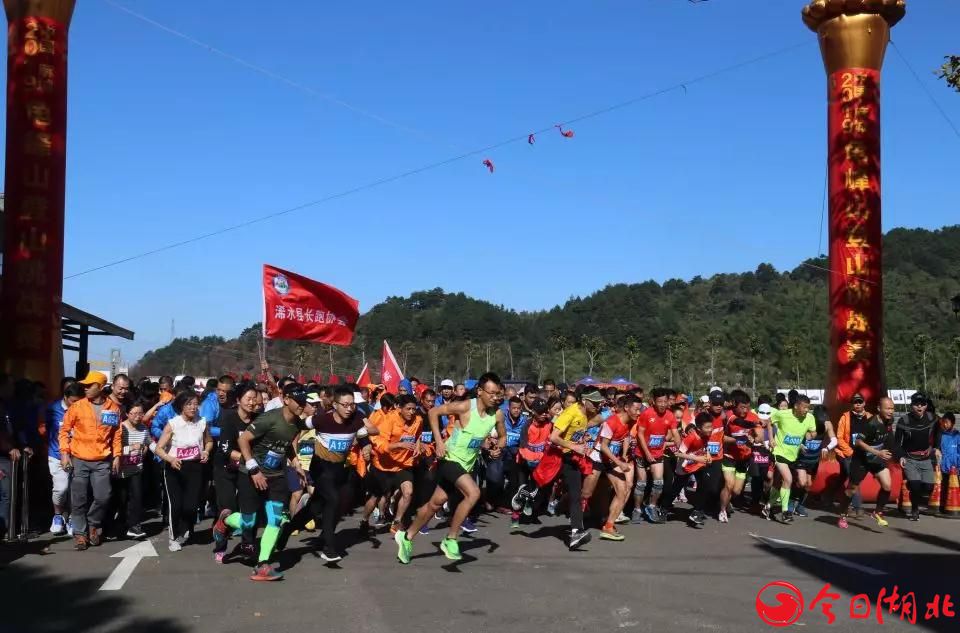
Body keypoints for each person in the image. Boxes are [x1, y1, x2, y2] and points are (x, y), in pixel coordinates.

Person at [396, 372, 505, 564]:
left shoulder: (496, 414)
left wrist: (497, 448)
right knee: (473, 493)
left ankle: (407, 537)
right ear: (480, 392)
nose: (495, 397)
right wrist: (438, 442)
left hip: (467, 464)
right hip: (449, 459)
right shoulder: (464, 407)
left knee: (435, 504)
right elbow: (432, 412)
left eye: (497, 394)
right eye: (491, 393)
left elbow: (502, 437)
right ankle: (451, 538)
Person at [214, 383, 308, 580]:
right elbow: (243, 440)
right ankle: (224, 521)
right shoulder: (269, 418)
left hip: (277, 477)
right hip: (251, 474)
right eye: (298, 401)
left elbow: (286, 445)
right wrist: (253, 468)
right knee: (249, 522)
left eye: (304, 401)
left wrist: (296, 464)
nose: (302, 405)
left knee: (275, 519)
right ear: (286, 399)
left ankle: (262, 564)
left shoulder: (297, 423)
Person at [278, 386, 379, 564]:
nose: (350, 408)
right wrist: (290, 451)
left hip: (339, 468)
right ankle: (329, 548)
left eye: (352, 405)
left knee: (314, 508)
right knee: (333, 500)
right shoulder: (321, 420)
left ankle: (287, 529)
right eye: (345, 405)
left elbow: (363, 436)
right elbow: (297, 426)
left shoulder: (356, 419)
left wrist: (366, 447)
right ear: (335, 405)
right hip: (321, 467)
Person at [511, 388, 605, 550]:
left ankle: (576, 532)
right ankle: (523, 493)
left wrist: (582, 438)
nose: (597, 406)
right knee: (539, 490)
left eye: (599, 403)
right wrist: (574, 446)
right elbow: (553, 437)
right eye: (594, 402)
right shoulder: (570, 413)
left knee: (576, 495)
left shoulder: (587, 414)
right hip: (555, 457)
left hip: (571, 460)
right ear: (584, 400)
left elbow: (596, 421)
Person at [58, 371, 123, 550]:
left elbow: (116, 434)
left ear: (101, 387)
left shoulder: (113, 408)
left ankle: (93, 524)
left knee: (103, 496)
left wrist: (117, 455)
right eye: (84, 385)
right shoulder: (77, 406)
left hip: (102, 460)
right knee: (78, 498)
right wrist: (65, 454)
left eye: (89, 385)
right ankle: (80, 534)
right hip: (79, 459)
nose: (85, 388)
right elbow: (64, 431)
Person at [153, 390, 213, 551]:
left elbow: (209, 441)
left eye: (195, 404)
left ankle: (186, 527)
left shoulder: (202, 422)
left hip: (195, 467)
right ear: (181, 407)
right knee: (176, 504)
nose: (193, 407)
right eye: (189, 404)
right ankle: (173, 538)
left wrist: (206, 451)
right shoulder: (173, 423)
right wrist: (170, 459)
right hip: (174, 467)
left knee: (191, 505)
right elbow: (158, 448)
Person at [211, 382, 260, 562]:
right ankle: (221, 543)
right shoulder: (229, 418)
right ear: (238, 400)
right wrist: (247, 458)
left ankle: (248, 543)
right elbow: (225, 449)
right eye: (248, 398)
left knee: (249, 507)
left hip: (246, 469)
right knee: (228, 509)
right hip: (225, 468)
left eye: (255, 398)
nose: (252, 402)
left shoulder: (258, 419)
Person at [360, 394, 421, 535]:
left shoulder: (418, 420)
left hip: (403, 464)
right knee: (375, 497)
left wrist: (417, 446)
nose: (412, 412)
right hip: (383, 465)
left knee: (408, 492)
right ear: (399, 408)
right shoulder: (389, 420)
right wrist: (399, 444)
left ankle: (396, 522)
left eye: (414, 409)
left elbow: (417, 435)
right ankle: (364, 520)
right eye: (408, 409)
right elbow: (381, 445)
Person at [587, 394, 638, 541]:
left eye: (639, 409)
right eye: (636, 409)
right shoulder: (611, 422)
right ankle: (566, 505)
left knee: (623, 489)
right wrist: (620, 462)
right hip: (597, 458)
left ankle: (608, 526)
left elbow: (626, 436)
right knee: (587, 493)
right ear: (627, 408)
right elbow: (603, 447)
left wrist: (624, 454)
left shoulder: (629, 422)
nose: (638, 412)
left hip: (610, 461)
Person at [837, 397, 895, 529]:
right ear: (879, 409)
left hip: (876, 459)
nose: (891, 411)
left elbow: (889, 437)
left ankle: (877, 512)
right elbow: (858, 442)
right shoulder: (871, 424)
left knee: (887, 485)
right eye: (888, 408)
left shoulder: (889, 421)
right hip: (861, 459)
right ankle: (842, 514)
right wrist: (877, 452)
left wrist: (892, 453)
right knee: (852, 489)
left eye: (892, 408)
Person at [631, 388, 682, 524]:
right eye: (659, 401)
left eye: (665, 401)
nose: (662, 404)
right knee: (641, 483)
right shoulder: (646, 414)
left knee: (658, 482)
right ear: (653, 401)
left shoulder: (670, 415)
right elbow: (640, 435)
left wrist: (681, 447)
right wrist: (646, 453)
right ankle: (636, 509)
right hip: (642, 453)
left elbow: (675, 433)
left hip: (658, 453)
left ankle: (651, 506)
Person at [763, 394, 816, 524]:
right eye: (804, 407)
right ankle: (785, 512)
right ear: (796, 406)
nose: (806, 410)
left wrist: (809, 436)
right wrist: (770, 439)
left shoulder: (809, 417)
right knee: (788, 479)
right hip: (779, 452)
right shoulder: (783, 414)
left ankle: (768, 506)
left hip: (793, 455)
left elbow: (813, 432)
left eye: (808, 408)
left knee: (778, 482)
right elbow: (769, 422)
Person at [668, 412, 726, 527]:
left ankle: (697, 511)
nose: (710, 430)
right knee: (676, 488)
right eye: (707, 427)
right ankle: (664, 507)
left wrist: (708, 455)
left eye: (711, 426)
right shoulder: (691, 437)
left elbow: (706, 447)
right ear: (699, 428)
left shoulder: (707, 435)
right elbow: (679, 454)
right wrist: (696, 458)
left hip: (698, 464)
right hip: (685, 466)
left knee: (706, 484)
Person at [46, 380, 82, 535]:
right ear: (66, 397)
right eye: (73, 401)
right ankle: (58, 516)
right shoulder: (52, 409)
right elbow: (46, 430)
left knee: (77, 490)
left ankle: (73, 517)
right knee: (61, 489)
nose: (76, 404)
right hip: (57, 455)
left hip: (79, 456)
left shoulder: (82, 409)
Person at [718, 391, 761, 523]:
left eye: (747, 407)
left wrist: (753, 439)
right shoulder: (728, 416)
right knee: (729, 485)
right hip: (728, 455)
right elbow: (722, 437)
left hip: (744, 458)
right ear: (735, 405)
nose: (745, 410)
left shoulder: (753, 416)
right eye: (742, 407)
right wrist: (737, 440)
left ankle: (726, 500)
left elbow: (759, 436)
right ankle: (722, 510)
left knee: (736, 491)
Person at [895, 392, 937, 521]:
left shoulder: (932, 418)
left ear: (926, 406)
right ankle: (914, 509)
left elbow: (939, 433)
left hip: (926, 459)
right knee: (915, 485)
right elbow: (897, 443)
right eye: (916, 404)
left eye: (922, 404)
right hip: (910, 458)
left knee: (929, 488)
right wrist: (900, 456)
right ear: (911, 405)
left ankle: (914, 490)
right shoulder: (904, 420)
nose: (919, 407)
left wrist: (937, 447)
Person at [115, 400, 151, 539]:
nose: (138, 416)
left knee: (137, 498)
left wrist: (145, 448)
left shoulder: (143, 428)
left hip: (136, 468)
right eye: (134, 413)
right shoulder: (121, 428)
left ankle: (134, 526)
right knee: (122, 500)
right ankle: (119, 526)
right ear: (127, 414)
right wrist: (131, 448)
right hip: (121, 471)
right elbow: (115, 449)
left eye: (140, 413)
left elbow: (148, 443)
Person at [833, 393, 871, 515]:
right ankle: (857, 506)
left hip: (862, 453)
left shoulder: (870, 417)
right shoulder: (845, 417)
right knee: (854, 476)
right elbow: (839, 438)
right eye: (855, 402)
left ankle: (828, 495)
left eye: (860, 402)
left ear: (864, 403)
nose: (858, 404)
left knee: (843, 476)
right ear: (852, 404)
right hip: (845, 453)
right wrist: (850, 452)